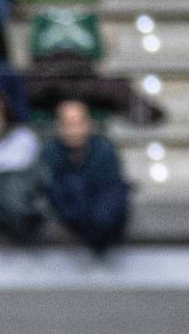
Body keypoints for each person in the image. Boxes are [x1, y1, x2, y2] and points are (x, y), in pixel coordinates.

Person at [43, 99, 130, 252]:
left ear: (88, 123)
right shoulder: (49, 153)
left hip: (104, 232)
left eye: (78, 122)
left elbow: (112, 193)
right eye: (67, 123)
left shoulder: (104, 150)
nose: (73, 129)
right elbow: (53, 194)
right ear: (59, 126)